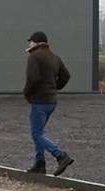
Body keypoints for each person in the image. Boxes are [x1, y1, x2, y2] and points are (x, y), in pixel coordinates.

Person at [23, 31, 74, 176]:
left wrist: (27, 93)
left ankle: (61, 156)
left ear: (37, 42)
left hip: (39, 100)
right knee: (39, 133)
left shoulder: (34, 56)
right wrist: (55, 87)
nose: (29, 44)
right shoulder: (54, 56)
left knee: (36, 133)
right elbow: (66, 75)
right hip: (51, 101)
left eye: (31, 41)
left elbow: (32, 78)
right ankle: (40, 164)